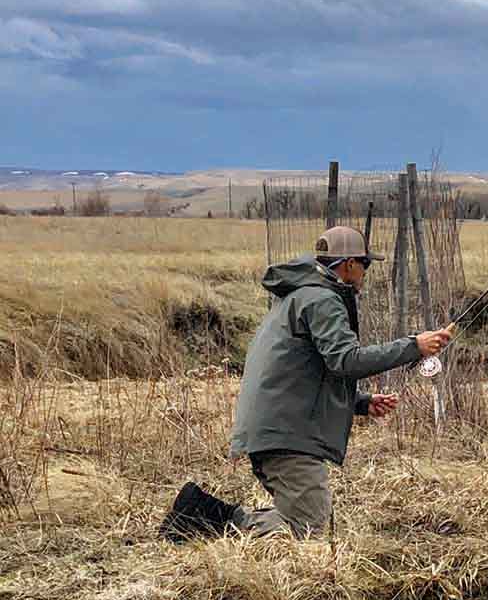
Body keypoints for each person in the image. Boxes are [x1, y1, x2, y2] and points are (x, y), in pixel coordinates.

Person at [160, 226, 454, 541]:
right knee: (309, 527)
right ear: (349, 265)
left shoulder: (299, 295)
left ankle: (202, 514)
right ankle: (200, 518)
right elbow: (346, 360)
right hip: (286, 434)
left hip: (278, 428)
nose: (366, 273)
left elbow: (304, 371)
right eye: (364, 264)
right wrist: (414, 346)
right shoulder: (321, 299)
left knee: (306, 520)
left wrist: (360, 402)